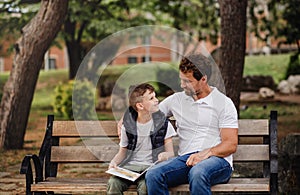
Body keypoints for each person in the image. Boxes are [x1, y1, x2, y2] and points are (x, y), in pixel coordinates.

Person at [145, 53, 239, 195]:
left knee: (198, 172)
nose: (182, 85)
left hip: (217, 161)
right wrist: (127, 118)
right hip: (186, 160)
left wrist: (205, 154)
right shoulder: (176, 100)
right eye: (181, 80)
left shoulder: (223, 103)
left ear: (203, 79)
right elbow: (148, 115)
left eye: (187, 81)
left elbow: (230, 144)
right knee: (153, 175)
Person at [107, 83, 177, 195]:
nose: (157, 100)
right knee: (113, 183)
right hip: (130, 168)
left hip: (150, 169)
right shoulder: (128, 125)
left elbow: (171, 153)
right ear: (140, 106)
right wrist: (114, 162)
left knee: (145, 188)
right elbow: (122, 152)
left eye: (155, 96)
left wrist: (165, 155)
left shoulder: (164, 124)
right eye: (151, 98)